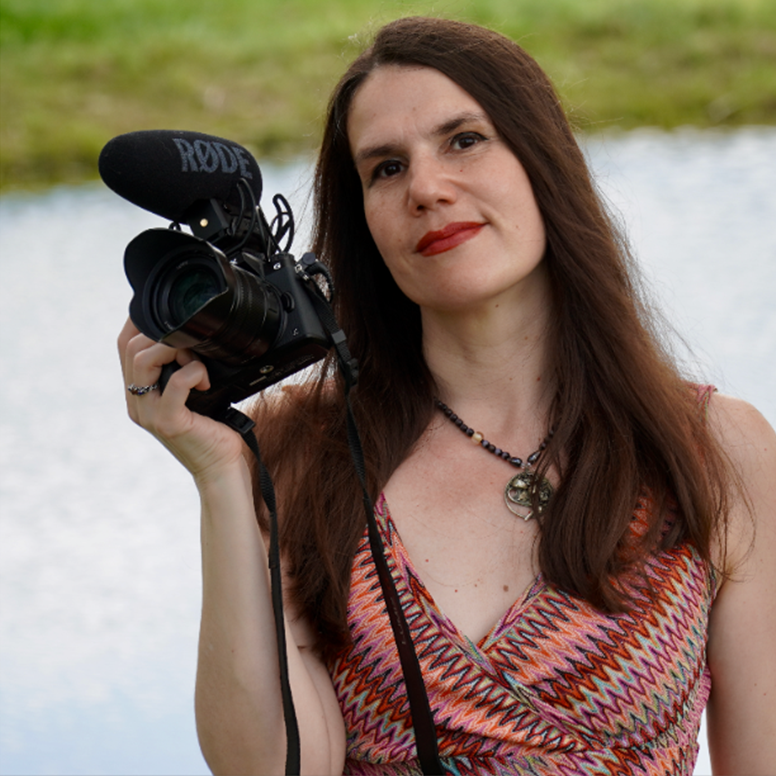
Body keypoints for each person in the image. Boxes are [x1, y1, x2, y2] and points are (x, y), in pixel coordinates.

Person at [118, 16, 776, 776]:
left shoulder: (719, 452)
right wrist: (222, 479)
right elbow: (273, 769)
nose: (427, 188)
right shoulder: (300, 451)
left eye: (464, 140)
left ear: (542, 163)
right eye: (386, 169)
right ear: (363, 222)